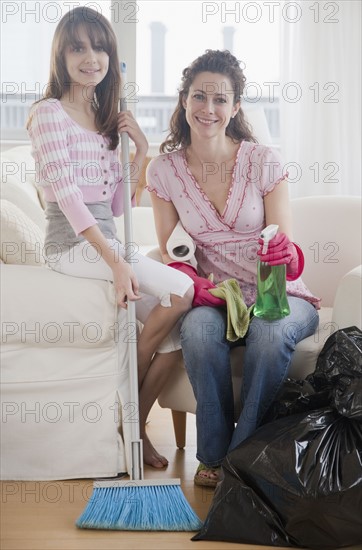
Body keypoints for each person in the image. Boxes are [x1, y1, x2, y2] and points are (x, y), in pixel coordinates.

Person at [27, 6, 194, 469]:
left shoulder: (106, 119)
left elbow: (118, 208)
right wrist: (117, 263)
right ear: (61, 54)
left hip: (105, 241)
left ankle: (131, 428)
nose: (91, 57)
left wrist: (139, 151)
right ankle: (127, 417)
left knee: (175, 336)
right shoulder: (48, 114)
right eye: (78, 46)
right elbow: (68, 197)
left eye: (99, 47)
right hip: (73, 245)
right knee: (181, 292)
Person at [146, 50, 320, 487]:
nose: (209, 108)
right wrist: (193, 283)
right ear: (184, 100)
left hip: (279, 293)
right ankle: (212, 459)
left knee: (271, 330)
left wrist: (285, 253)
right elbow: (171, 252)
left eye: (220, 99)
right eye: (199, 96)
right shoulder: (163, 171)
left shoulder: (263, 161)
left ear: (236, 107)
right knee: (198, 333)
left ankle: (242, 457)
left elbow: (287, 246)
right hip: (215, 296)